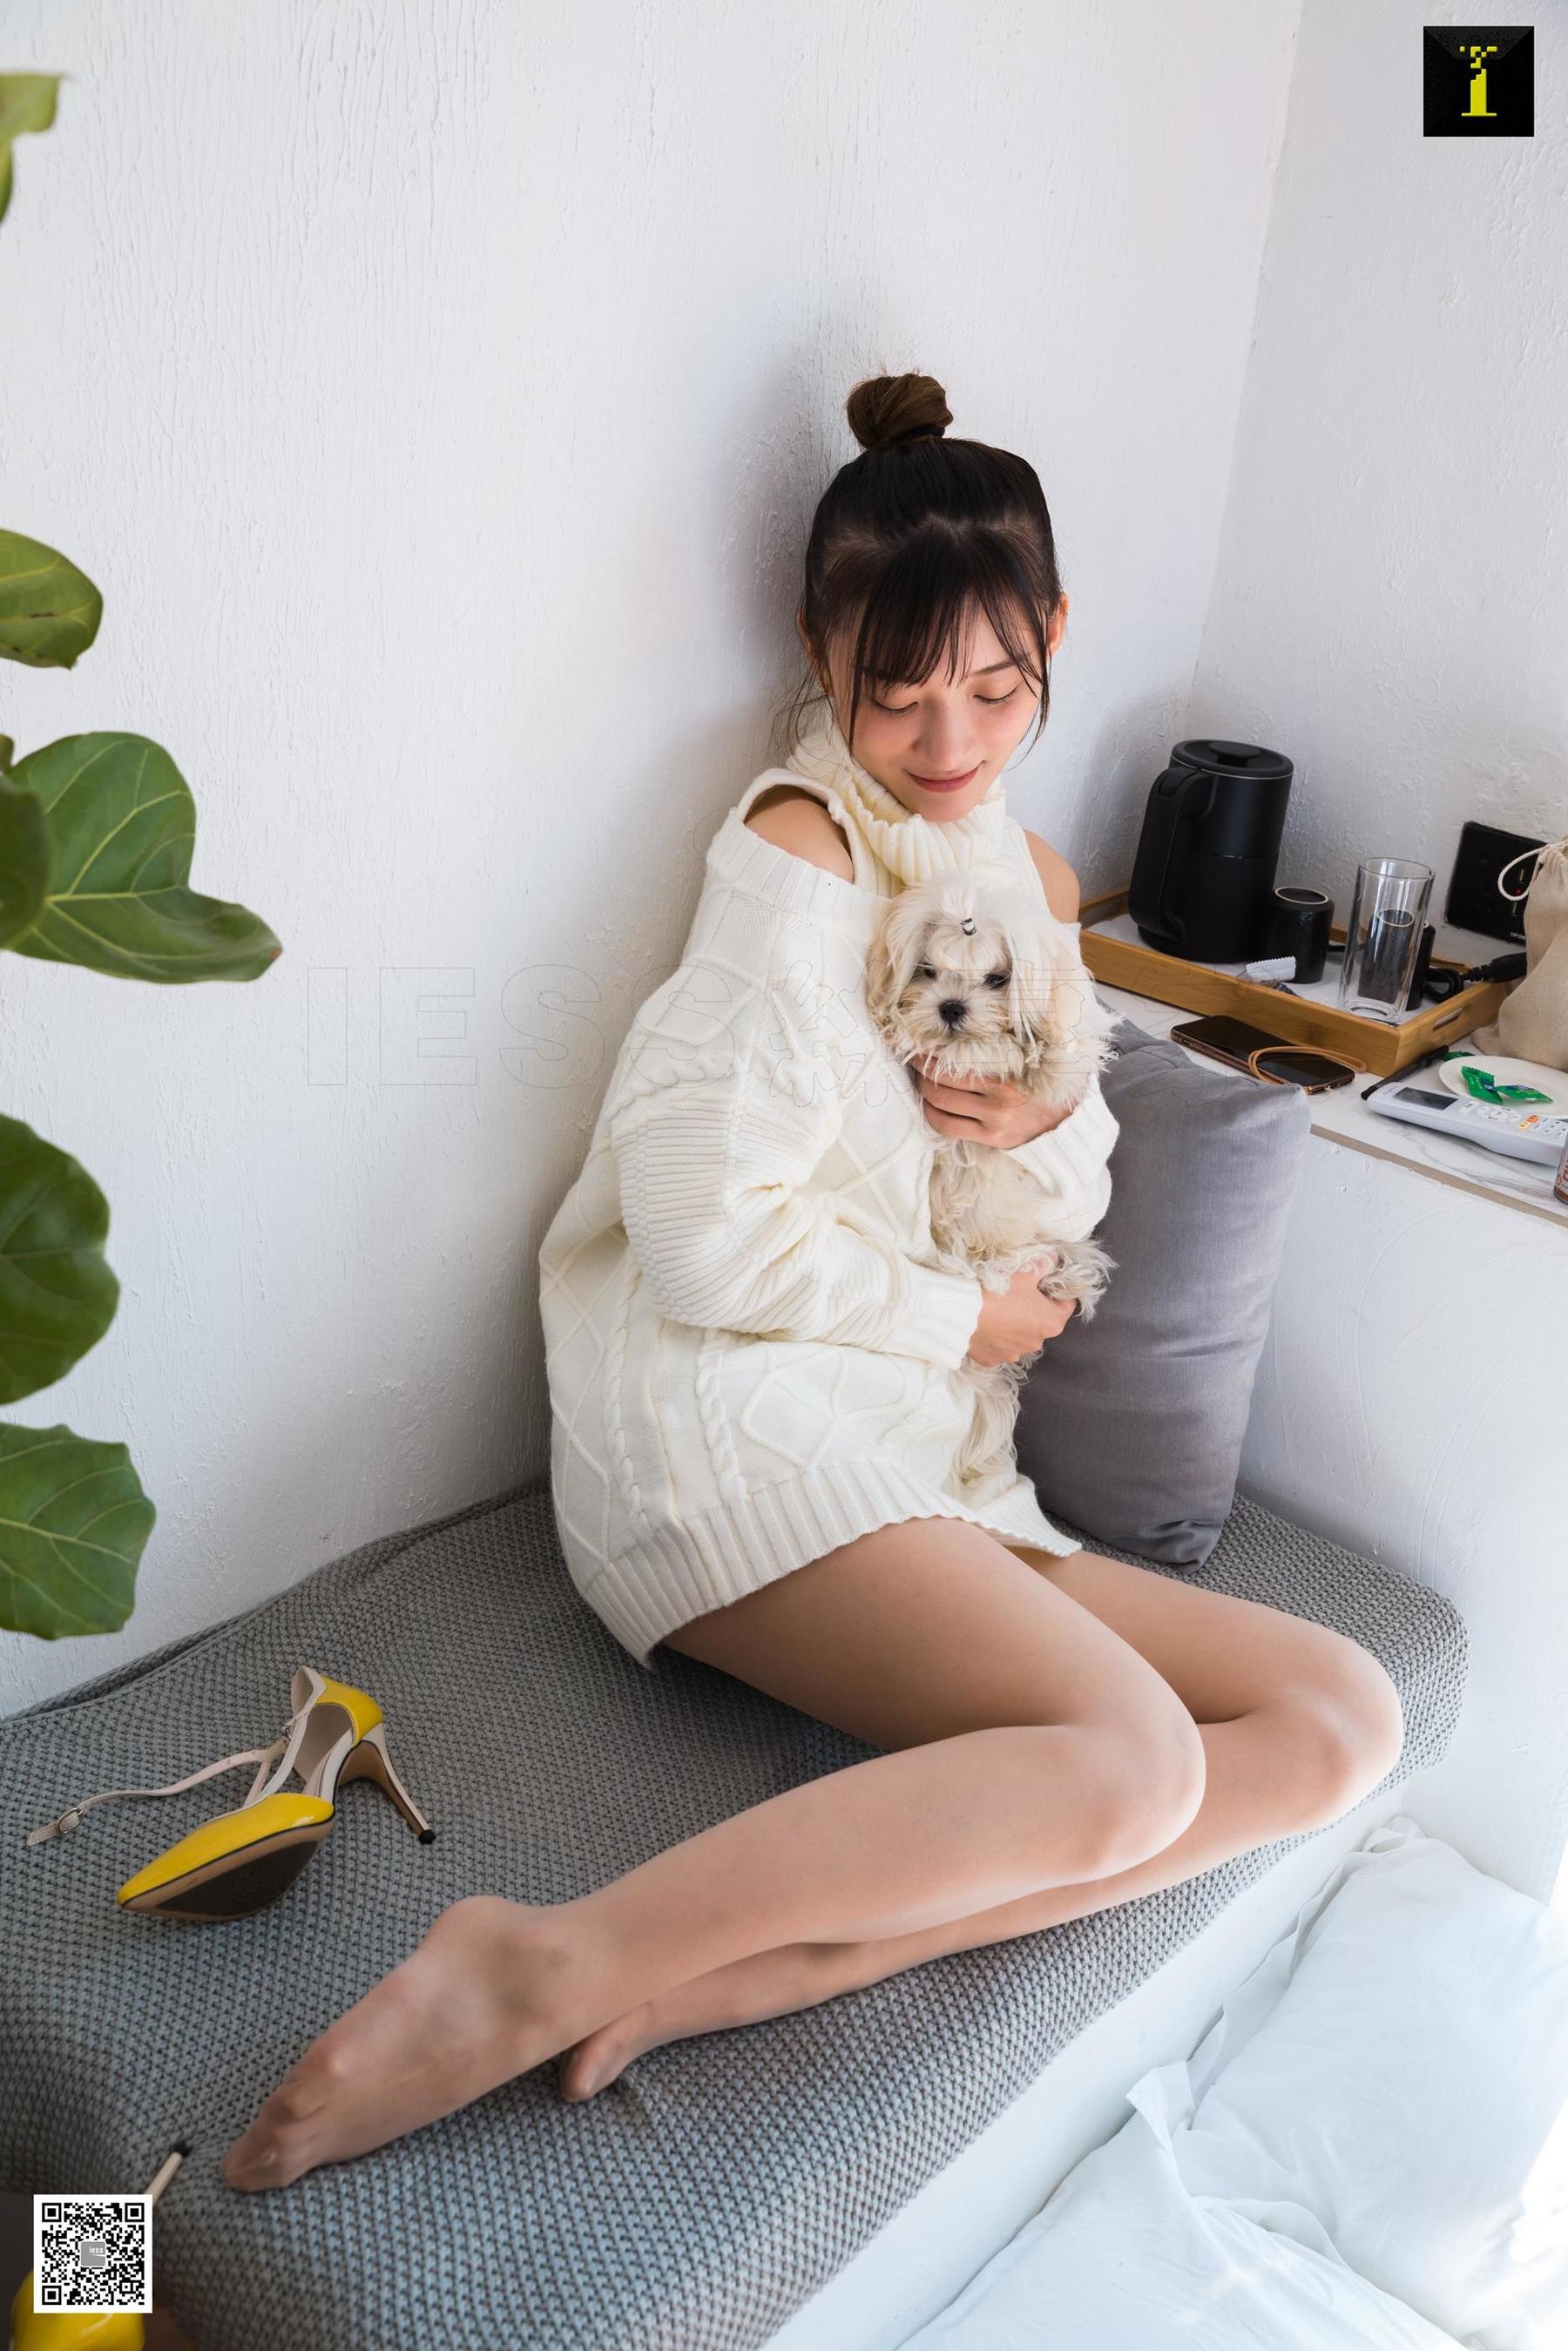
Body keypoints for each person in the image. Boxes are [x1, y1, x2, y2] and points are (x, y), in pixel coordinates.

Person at [222, 372, 1404, 2192]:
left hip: (912, 1441)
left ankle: (802, 1956)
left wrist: (1041, 1125)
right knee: (1137, 1765)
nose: (948, 738)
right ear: (818, 655)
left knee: (1342, 1719)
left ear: (1057, 636)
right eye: (896, 691)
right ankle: (548, 1960)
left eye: (996, 687)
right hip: (726, 1413)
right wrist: (963, 1318)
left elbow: (1060, 1192)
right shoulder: (798, 862)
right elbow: (701, 1244)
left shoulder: (1032, 878)